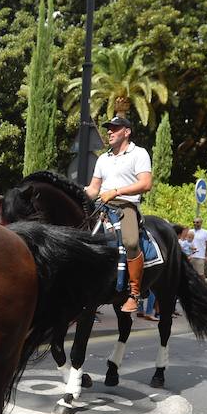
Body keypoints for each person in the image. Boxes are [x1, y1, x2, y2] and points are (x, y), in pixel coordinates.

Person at [85, 114, 153, 312]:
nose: (109, 131)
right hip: (101, 206)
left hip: (125, 206)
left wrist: (116, 191)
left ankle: (134, 293)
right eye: (109, 128)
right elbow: (93, 189)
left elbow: (146, 183)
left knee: (131, 242)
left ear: (127, 131)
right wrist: (76, 192)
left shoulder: (139, 153)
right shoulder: (103, 159)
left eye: (115, 128)